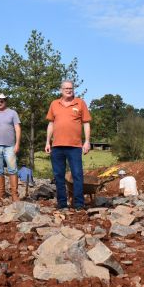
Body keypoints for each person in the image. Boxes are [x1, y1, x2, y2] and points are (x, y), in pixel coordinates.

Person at [44, 80, 91, 211]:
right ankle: (62, 203)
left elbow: (86, 123)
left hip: (75, 146)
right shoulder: (54, 104)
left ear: (73, 89)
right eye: (66, 88)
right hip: (57, 146)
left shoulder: (80, 103)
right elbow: (51, 124)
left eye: (70, 88)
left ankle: (79, 204)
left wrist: (87, 141)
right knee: (58, 175)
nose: (69, 90)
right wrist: (48, 141)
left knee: (77, 174)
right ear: (61, 90)